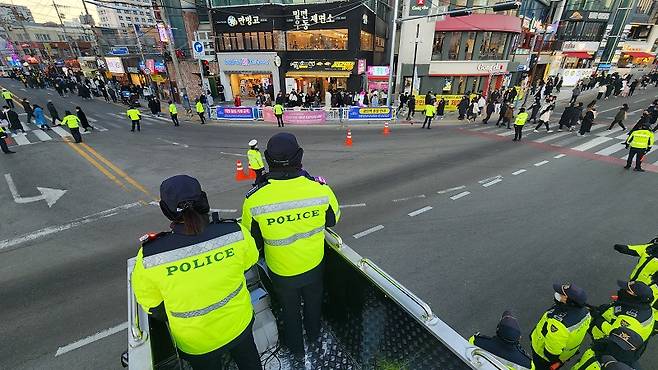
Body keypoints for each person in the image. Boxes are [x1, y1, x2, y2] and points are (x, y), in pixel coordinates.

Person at [131, 175, 262, 370]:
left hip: (196, 343)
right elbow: (249, 261)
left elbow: (153, 307)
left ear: (166, 210)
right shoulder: (235, 232)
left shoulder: (150, 256)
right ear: (204, 201)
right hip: (238, 325)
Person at [241, 133, 340, 363]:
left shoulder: (254, 200)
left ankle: (297, 350)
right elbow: (333, 219)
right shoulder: (320, 190)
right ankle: (315, 338)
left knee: (289, 310)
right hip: (314, 265)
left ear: (267, 160)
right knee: (314, 305)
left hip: (282, 272)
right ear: (300, 157)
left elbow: (251, 243)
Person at [530, 283, 591, 370]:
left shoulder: (559, 324)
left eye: (561, 294)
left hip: (542, 356)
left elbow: (551, 353)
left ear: (568, 300)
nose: (558, 294)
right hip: (566, 354)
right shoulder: (586, 312)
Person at [590, 280, 655, 346]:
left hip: (614, 343)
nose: (623, 290)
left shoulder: (630, 319)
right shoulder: (642, 306)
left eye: (627, 290)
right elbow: (623, 306)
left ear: (635, 297)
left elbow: (613, 332)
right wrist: (606, 308)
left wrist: (598, 318)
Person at [571, 328, 643, 370]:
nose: (616, 348)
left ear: (634, 351)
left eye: (623, 347)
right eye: (615, 343)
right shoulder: (599, 347)